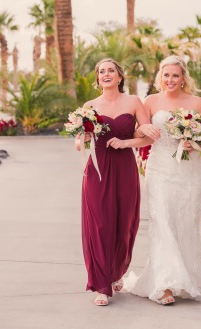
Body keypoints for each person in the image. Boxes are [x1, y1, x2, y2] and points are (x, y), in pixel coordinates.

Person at [121, 55, 201, 305]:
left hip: (188, 171)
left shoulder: (197, 102)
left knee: (185, 222)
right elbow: (139, 132)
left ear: (183, 78)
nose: (170, 79)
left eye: (175, 75)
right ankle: (164, 285)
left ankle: (186, 276)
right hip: (159, 170)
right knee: (161, 222)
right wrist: (141, 131)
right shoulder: (150, 101)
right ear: (159, 77)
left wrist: (192, 142)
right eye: (166, 75)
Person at [76, 58, 151, 306]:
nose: (106, 74)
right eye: (101, 72)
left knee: (124, 222)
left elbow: (147, 137)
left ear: (120, 76)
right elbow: (80, 142)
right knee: (99, 223)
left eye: (111, 70)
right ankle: (102, 285)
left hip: (125, 168)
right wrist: (82, 138)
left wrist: (126, 142)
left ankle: (117, 270)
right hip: (97, 169)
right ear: (98, 79)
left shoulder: (134, 102)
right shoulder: (89, 106)